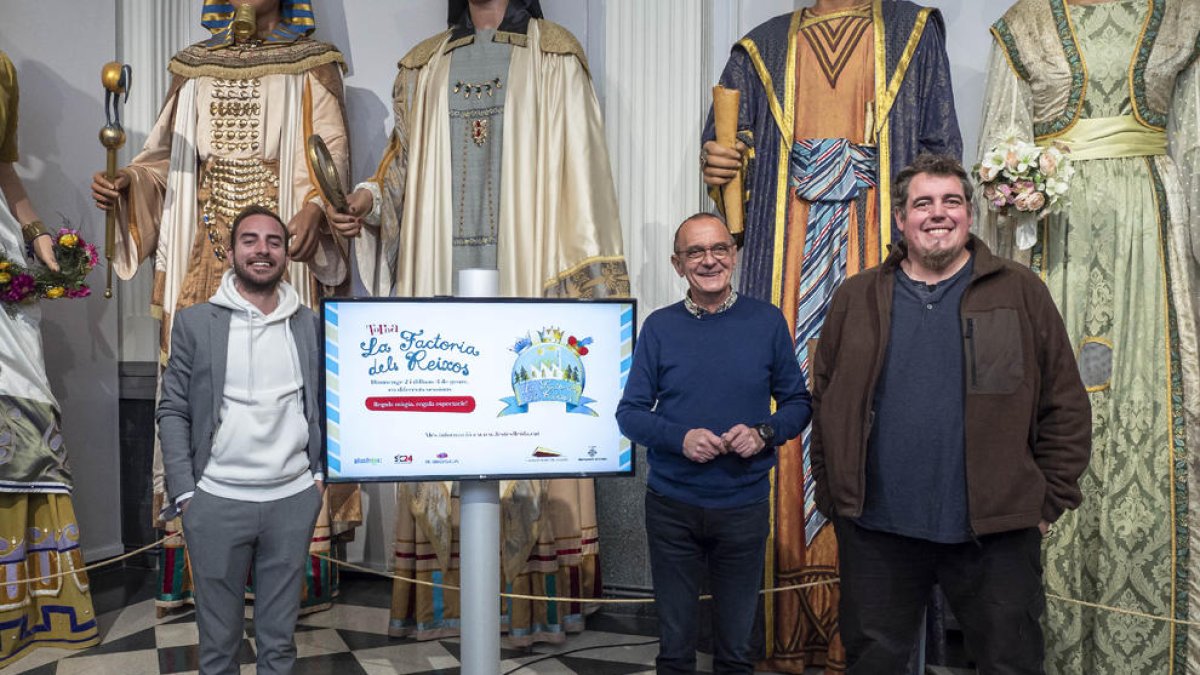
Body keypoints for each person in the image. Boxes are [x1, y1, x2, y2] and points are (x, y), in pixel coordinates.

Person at [326, 0, 627, 643]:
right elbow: (398, 173)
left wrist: (590, 303)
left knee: (531, 423)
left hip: (528, 286)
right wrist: (367, 200)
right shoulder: (424, 66)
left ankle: (533, 607)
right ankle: (448, 605)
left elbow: (584, 181)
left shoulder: (554, 55)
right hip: (443, 291)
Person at [699, 1, 961, 668]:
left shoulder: (911, 31)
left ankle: (877, 636)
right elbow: (727, 171)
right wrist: (725, 165)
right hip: (781, 270)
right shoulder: (759, 49)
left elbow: (941, 153)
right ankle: (777, 630)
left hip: (878, 264)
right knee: (781, 424)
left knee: (878, 423)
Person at [89, 0, 355, 616]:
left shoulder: (312, 63)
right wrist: (127, 185)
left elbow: (330, 159)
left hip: (276, 250)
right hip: (206, 255)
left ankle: (290, 567)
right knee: (201, 394)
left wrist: (315, 207)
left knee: (280, 393)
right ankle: (198, 556)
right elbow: (160, 162)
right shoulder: (193, 68)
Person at [977, 1, 1200, 671]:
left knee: (1153, 428)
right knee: (1039, 419)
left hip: (1150, 235)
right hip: (1051, 240)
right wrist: (1010, 197)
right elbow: (998, 148)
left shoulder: (1184, 17)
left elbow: (1192, 145)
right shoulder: (1025, 23)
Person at [810, 154, 1091, 673]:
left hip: (995, 534)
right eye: (923, 203)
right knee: (874, 663)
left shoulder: (1018, 290)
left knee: (1010, 663)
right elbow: (824, 401)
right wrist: (834, 494)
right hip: (877, 530)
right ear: (901, 218)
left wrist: (1046, 502)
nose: (938, 214)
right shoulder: (857, 297)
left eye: (951, 202)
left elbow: (1065, 404)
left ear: (969, 214)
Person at [617, 213, 812, 674]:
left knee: (736, 649)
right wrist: (678, 438)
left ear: (734, 254)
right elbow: (629, 415)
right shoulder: (660, 328)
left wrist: (764, 432)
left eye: (719, 249)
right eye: (696, 252)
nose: (710, 260)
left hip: (743, 507)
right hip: (672, 506)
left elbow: (798, 404)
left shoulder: (766, 322)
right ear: (677, 264)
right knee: (676, 647)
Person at [157, 205, 324, 675]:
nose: (262, 250)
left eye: (273, 241)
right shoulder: (194, 323)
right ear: (230, 252)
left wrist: (318, 476)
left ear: (286, 254)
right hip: (215, 501)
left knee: (279, 644)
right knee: (217, 647)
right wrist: (188, 492)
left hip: (292, 500)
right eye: (249, 240)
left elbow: (326, 407)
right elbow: (172, 409)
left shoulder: (310, 325)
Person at [0, 49, 100, 668]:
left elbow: (6, 172)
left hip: (2, 254)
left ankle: (32, 610)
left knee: (26, 409)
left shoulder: (2, 68)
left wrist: (42, 240)